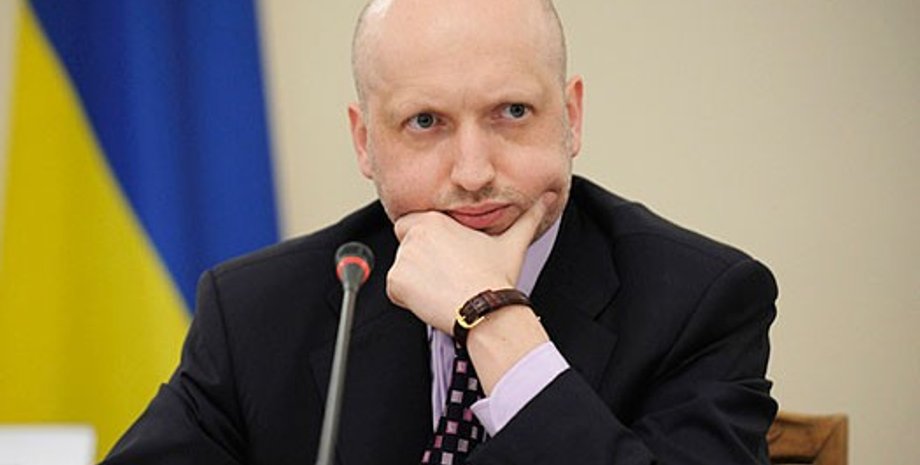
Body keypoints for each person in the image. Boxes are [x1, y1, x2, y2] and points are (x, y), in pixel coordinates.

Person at [102, 0, 778, 463]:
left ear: (571, 117)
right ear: (365, 142)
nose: (474, 172)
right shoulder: (259, 310)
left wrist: (494, 320)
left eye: (513, 112)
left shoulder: (699, 301)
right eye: (425, 122)